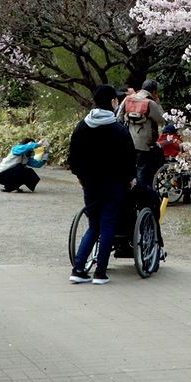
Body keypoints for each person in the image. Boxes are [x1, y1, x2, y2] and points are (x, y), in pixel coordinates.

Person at [68, 84, 136, 285]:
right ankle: (100, 273)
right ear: (113, 102)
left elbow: (74, 155)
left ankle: (78, 268)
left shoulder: (82, 126)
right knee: (107, 226)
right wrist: (129, 179)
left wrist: (80, 176)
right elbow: (129, 158)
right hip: (114, 185)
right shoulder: (118, 130)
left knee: (94, 226)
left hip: (89, 183)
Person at [119, 79, 165, 189]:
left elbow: (119, 117)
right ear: (154, 92)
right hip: (145, 144)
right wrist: (158, 103)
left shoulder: (128, 99)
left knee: (130, 170)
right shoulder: (150, 103)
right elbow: (162, 119)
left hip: (129, 141)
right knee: (143, 171)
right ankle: (141, 197)